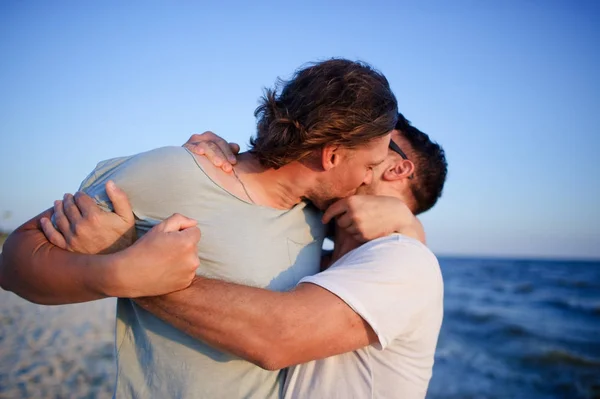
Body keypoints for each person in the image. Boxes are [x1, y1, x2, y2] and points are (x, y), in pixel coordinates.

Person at [0, 58, 401, 398]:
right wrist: (116, 271)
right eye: (369, 166)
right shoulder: (173, 174)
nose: (368, 181)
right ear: (331, 155)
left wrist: (404, 226)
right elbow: (15, 260)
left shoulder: (318, 216)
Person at [38, 114, 448, 398]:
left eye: (374, 143)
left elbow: (277, 337)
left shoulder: (404, 260)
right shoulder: (320, 246)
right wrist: (217, 167)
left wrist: (124, 259)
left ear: (396, 168)